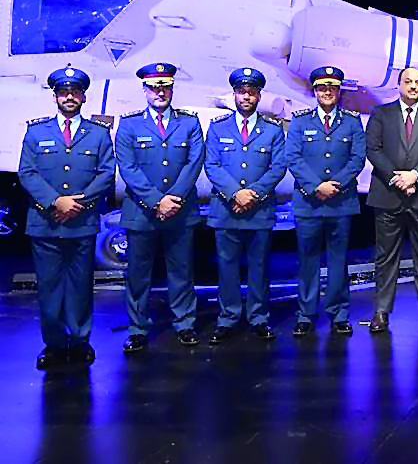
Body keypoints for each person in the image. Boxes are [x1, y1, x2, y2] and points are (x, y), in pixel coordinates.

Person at [18, 66, 115, 370]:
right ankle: (54, 345)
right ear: (56, 97)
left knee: (81, 286)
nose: (69, 97)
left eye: (75, 92)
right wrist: (55, 201)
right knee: (49, 288)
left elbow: (105, 173)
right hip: (45, 223)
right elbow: (27, 172)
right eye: (64, 92)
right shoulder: (36, 132)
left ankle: (81, 340)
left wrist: (77, 203)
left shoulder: (98, 134)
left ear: (84, 96)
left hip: (81, 222)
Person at [116, 62, 205, 353]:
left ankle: (185, 324)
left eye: (165, 87)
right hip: (142, 213)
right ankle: (138, 329)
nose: (160, 93)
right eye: (154, 88)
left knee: (181, 272)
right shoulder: (129, 124)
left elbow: (194, 164)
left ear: (172, 89)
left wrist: (174, 199)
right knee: (138, 275)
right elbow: (127, 167)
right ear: (144, 90)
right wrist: (157, 201)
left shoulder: (189, 123)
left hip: (179, 212)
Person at [204, 68, 287, 344]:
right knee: (226, 267)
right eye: (242, 92)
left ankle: (259, 318)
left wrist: (253, 194)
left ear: (259, 95)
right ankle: (227, 318)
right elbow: (212, 165)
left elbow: (277, 167)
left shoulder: (272, 130)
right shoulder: (218, 127)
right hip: (227, 210)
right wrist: (234, 194)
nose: (247, 97)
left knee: (259, 267)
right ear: (235, 94)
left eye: (252, 92)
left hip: (258, 210)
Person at [365, 67, 418, 332]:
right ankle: (381, 311)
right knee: (385, 257)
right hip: (388, 195)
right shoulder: (381, 113)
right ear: (398, 84)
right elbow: (373, 149)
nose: (413, 86)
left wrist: (414, 176)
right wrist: (397, 178)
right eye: (408, 82)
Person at [285, 66, 366, 337]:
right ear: (315, 91)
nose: (327, 92)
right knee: (307, 260)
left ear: (339, 90)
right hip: (309, 202)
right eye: (322, 87)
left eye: (332, 87)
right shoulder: (299, 121)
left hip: (341, 202)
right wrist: (315, 186)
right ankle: (305, 314)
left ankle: (339, 313)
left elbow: (357, 158)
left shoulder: (352, 122)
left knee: (338, 260)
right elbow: (293, 157)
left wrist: (336, 185)